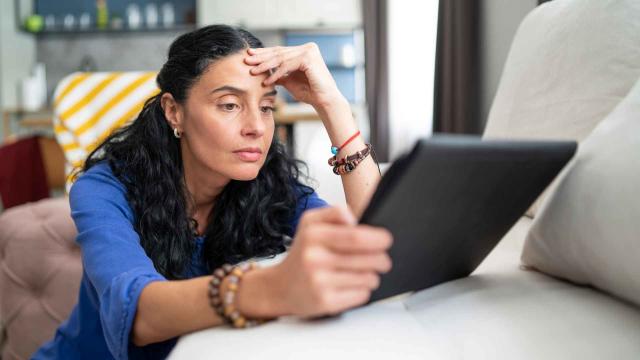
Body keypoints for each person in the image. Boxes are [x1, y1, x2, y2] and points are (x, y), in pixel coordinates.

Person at [34, 25, 392, 359]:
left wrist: (334, 107)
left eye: (266, 107)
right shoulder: (105, 188)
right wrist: (268, 288)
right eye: (230, 105)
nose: (255, 127)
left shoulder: (271, 186)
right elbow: (140, 315)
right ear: (174, 112)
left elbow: (378, 248)